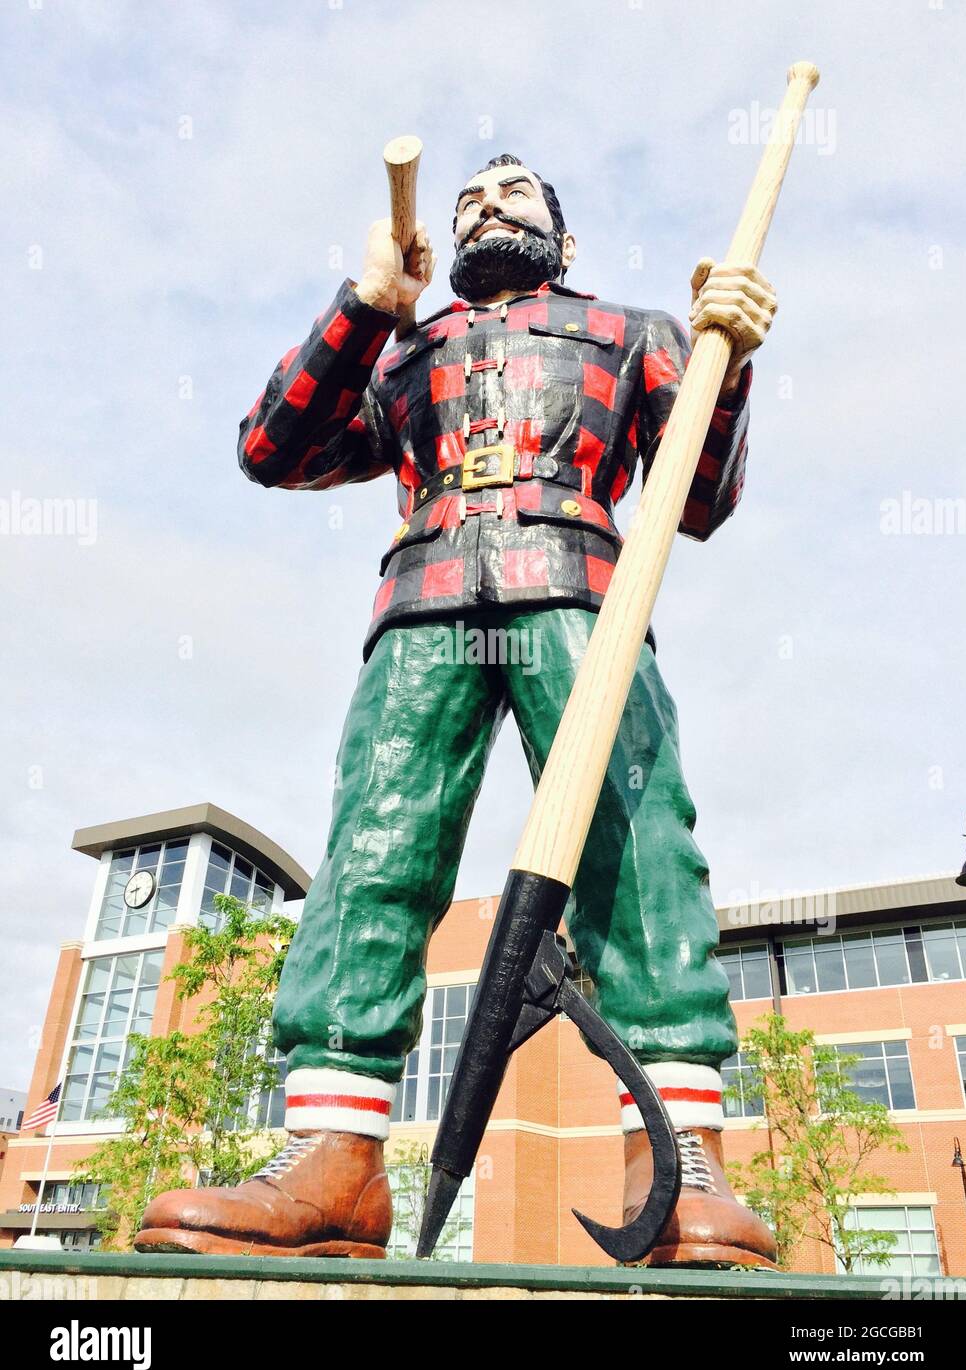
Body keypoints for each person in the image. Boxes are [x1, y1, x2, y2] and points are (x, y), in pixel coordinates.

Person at [137, 154, 778, 1266]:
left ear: (565, 242)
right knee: (372, 851)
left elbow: (702, 498)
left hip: (582, 593)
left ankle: (678, 1157)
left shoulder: (634, 331)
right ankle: (333, 1158)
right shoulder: (403, 352)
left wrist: (726, 362)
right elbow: (271, 449)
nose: (487, 202)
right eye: (470, 195)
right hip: (424, 595)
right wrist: (365, 304)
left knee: (636, 847)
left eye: (514, 190)